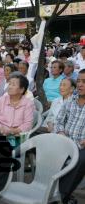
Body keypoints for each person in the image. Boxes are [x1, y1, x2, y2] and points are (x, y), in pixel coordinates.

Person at [55, 69, 85, 204]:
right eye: (78, 81)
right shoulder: (71, 100)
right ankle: (48, 191)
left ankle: (61, 197)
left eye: (84, 82)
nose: (80, 84)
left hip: (82, 146)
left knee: (80, 160)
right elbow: (59, 121)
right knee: (48, 154)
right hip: (66, 142)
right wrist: (61, 132)